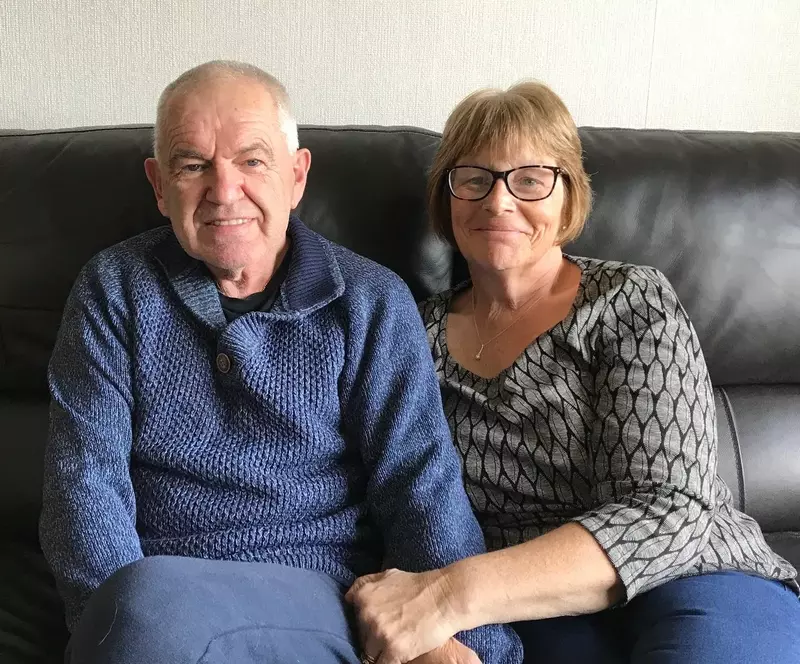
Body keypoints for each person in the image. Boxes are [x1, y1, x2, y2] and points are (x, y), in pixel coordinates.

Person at [39, 61, 522, 664]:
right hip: (155, 605)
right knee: (149, 603)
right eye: (192, 165)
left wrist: (466, 644)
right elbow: (82, 489)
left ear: (296, 177)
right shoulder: (113, 290)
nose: (223, 189)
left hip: (321, 601)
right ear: (159, 186)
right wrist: (111, 628)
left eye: (252, 161)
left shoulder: (370, 301)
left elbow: (418, 486)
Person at [345, 81, 800, 664]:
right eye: (474, 179)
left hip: (693, 573)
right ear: (446, 197)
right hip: (532, 613)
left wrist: (451, 597)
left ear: (569, 197)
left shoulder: (631, 301)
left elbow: (668, 509)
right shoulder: (409, 331)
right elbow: (390, 499)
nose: (498, 202)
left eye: (530, 179)